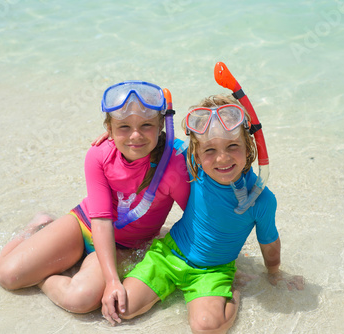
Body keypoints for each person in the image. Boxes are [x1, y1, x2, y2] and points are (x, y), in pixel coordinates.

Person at [0, 81, 190, 319]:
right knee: (7, 275)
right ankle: (37, 228)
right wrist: (112, 280)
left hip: (123, 246)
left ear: (161, 124)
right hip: (84, 224)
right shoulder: (99, 154)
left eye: (146, 125)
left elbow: (197, 218)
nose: (135, 135)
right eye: (123, 127)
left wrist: (219, 263)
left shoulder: (174, 166)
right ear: (109, 130)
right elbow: (100, 220)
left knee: (79, 300)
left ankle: (48, 273)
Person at [115, 95, 304, 333]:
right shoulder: (192, 168)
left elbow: (269, 243)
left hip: (213, 271)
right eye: (210, 150)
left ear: (249, 147)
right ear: (196, 153)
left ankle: (231, 289)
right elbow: (148, 143)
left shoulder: (260, 199)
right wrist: (113, 140)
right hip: (168, 255)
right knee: (123, 308)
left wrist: (274, 273)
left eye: (232, 146)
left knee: (206, 328)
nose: (222, 158)